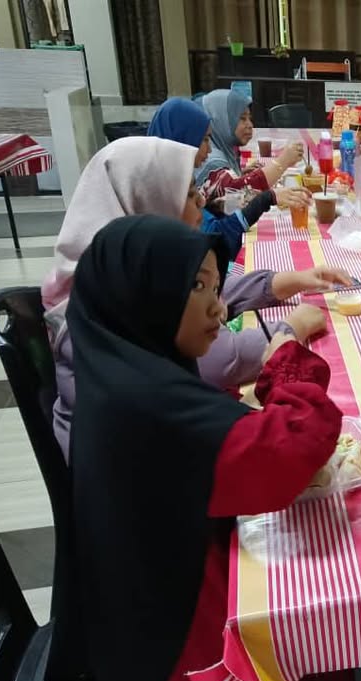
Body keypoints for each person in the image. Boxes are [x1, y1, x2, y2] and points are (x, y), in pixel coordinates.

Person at [48, 215, 361, 681]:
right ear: (143, 296)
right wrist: (285, 362)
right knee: (342, 678)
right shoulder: (144, 405)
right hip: (180, 660)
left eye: (215, 284)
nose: (220, 305)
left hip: (146, 619)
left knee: (345, 661)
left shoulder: (120, 369)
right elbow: (288, 453)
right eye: (196, 287)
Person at [41, 137, 344, 459]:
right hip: (149, 488)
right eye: (187, 193)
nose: (201, 200)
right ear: (147, 202)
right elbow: (226, 365)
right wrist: (288, 331)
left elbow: (204, 292)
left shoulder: (110, 274)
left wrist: (290, 281)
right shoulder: (128, 334)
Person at [148, 96, 309, 256]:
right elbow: (217, 240)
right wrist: (268, 196)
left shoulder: (171, 173)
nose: (209, 150)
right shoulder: (169, 187)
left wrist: (214, 207)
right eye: (204, 139)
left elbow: (214, 207)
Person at [195, 88, 306, 200]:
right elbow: (238, 195)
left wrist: (240, 174)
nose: (250, 125)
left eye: (250, 118)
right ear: (220, 119)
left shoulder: (225, 149)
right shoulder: (209, 158)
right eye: (242, 118)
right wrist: (283, 161)